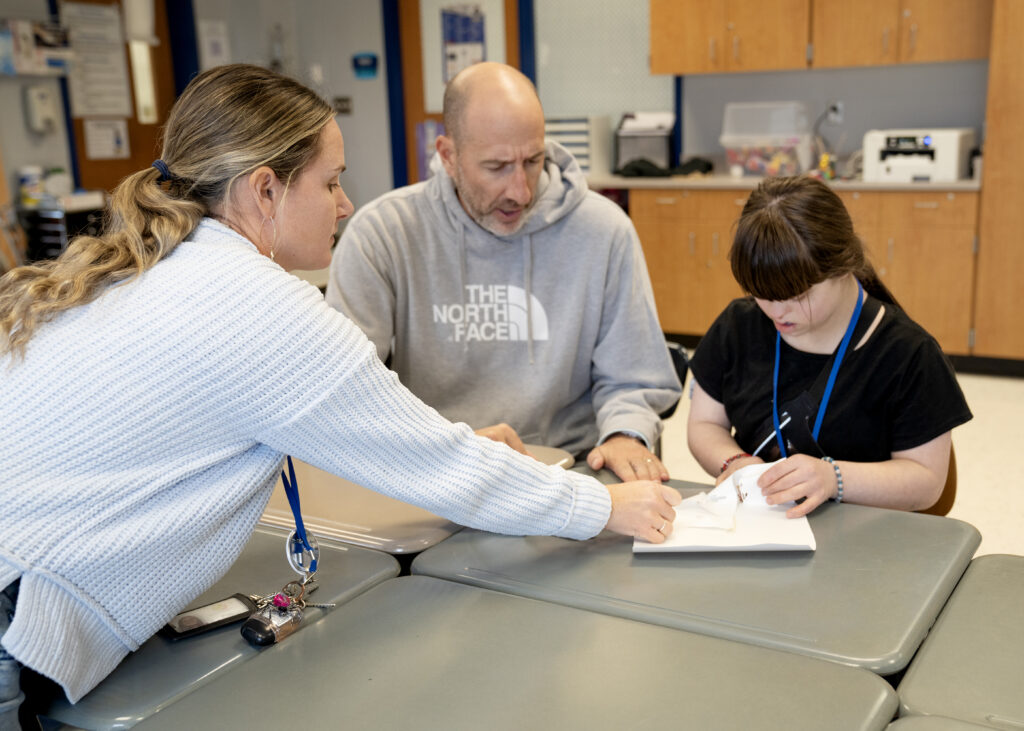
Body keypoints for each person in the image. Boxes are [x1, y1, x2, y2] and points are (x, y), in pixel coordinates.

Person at [0, 64, 681, 723]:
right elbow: (444, 471)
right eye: (332, 181)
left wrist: (424, 441)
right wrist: (606, 506)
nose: (347, 204)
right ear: (265, 191)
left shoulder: (142, 266)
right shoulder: (259, 306)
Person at [326, 62, 681, 484]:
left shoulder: (603, 230)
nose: (521, 191)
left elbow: (633, 376)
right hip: (438, 471)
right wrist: (445, 448)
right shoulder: (383, 233)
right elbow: (344, 392)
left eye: (532, 160)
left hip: (573, 467)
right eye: (496, 167)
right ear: (448, 156)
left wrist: (626, 434)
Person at [687, 175, 972, 518]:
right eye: (762, 294)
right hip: (764, 528)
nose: (777, 311)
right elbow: (705, 424)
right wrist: (735, 462)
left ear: (842, 267)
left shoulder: (909, 355)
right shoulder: (737, 326)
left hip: (869, 536)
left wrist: (833, 478)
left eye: (797, 296)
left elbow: (926, 482)